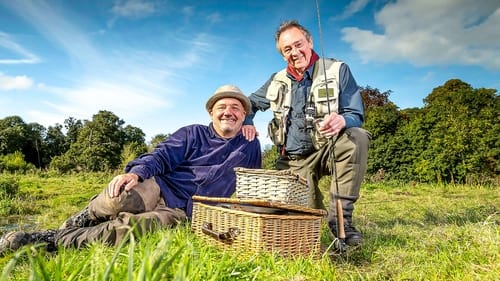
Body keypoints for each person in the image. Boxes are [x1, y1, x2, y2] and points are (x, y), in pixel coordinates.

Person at [0, 84, 262, 255]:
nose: (228, 112)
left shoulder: (250, 146)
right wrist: (135, 172)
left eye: (235, 107)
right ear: (211, 113)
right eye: (222, 107)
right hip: (160, 186)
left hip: (184, 210)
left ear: (244, 115)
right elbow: (162, 154)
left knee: (128, 229)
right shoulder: (192, 133)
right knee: (120, 196)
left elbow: (254, 185)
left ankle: (49, 241)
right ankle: (83, 218)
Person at [241, 20, 370, 246]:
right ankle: (313, 212)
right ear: (282, 55)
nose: (294, 52)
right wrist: (248, 121)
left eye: (298, 44)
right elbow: (248, 103)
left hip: (327, 150)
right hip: (293, 162)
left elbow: (355, 114)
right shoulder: (276, 79)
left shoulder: (337, 69)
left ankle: (341, 222)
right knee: (299, 222)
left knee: (356, 137)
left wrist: (342, 120)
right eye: (287, 49)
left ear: (309, 41)